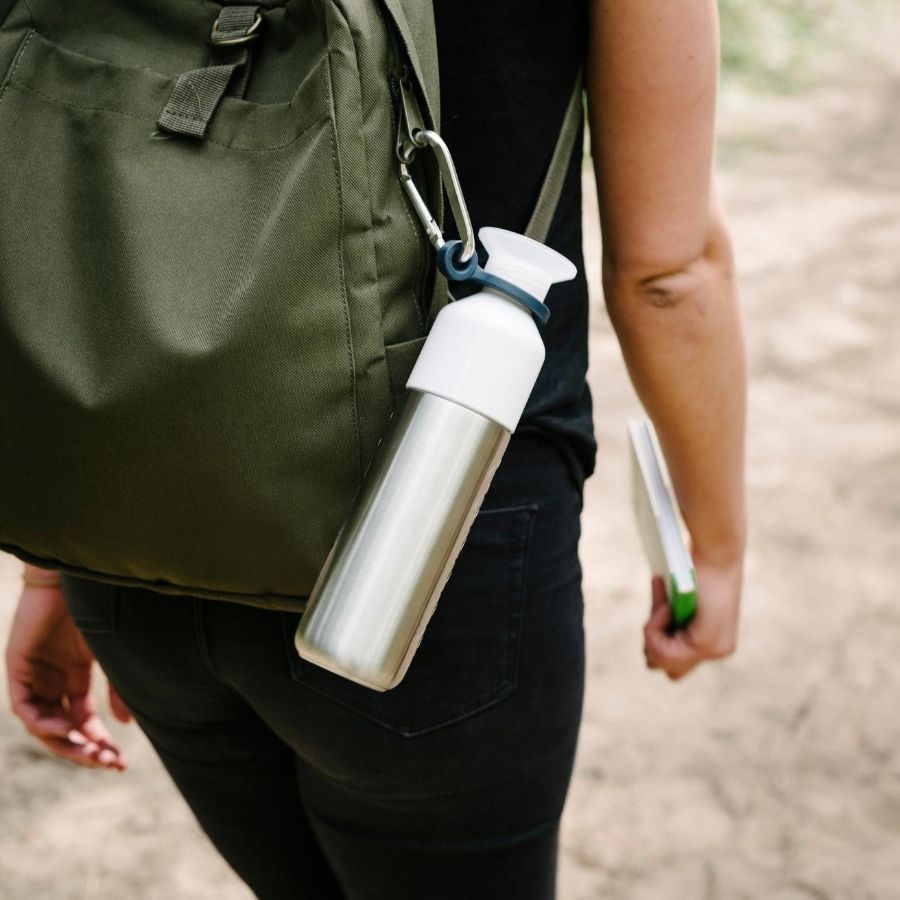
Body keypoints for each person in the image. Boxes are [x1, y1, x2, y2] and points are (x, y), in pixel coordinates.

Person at [4, 0, 746, 897]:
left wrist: (56, 565)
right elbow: (670, 273)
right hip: (434, 552)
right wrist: (716, 548)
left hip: (133, 527)